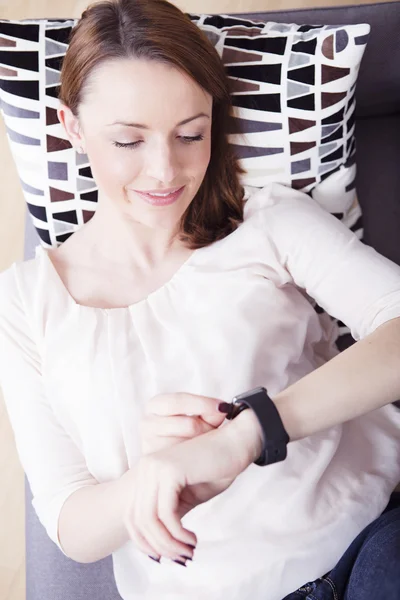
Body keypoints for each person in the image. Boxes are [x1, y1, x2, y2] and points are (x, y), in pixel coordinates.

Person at [0, 0, 399, 598]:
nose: (165, 171)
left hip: (362, 546)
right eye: (129, 141)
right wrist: (159, 476)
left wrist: (244, 437)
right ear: (72, 126)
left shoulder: (267, 225)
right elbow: (70, 522)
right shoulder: (26, 300)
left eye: (190, 134)